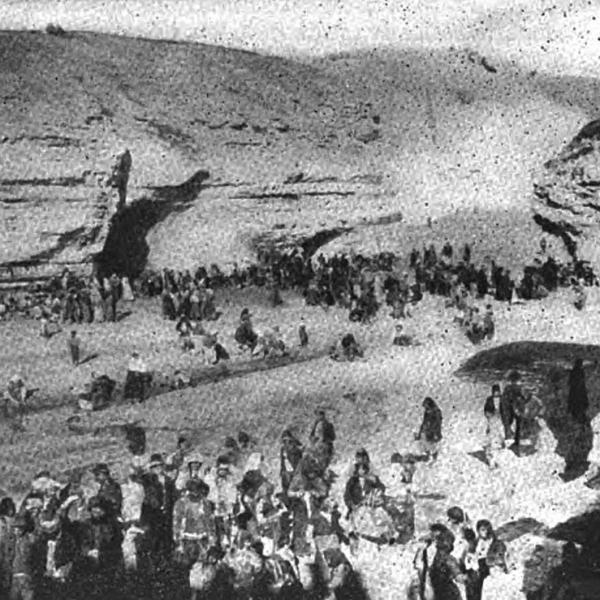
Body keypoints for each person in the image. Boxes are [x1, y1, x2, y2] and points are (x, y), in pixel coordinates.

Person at [9, 513, 37, 600]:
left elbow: (27, 557)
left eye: (18, 529)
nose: (16, 531)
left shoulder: (27, 540)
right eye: (14, 529)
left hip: (25, 574)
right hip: (17, 574)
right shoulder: (17, 540)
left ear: (23, 529)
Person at [483, 385, 505, 468]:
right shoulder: (489, 400)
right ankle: (491, 461)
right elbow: (486, 410)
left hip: (500, 421)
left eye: (497, 391)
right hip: (492, 421)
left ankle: (497, 460)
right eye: (495, 392)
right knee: (492, 441)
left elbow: (505, 410)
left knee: (499, 442)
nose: (496, 393)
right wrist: (490, 415)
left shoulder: (503, 399)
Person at [415, 398, 443, 463]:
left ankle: (434, 458)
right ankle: (427, 456)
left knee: (431, 445)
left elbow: (437, 423)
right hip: (426, 430)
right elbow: (424, 421)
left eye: (427, 407)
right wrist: (421, 431)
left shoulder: (436, 412)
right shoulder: (427, 412)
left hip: (432, 431)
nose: (426, 409)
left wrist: (432, 430)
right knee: (423, 443)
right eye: (425, 408)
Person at [567, 358, 589, 424]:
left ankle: (578, 418)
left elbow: (570, 381)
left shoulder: (574, 371)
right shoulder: (579, 371)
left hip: (576, 390)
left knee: (575, 401)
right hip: (579, 390)